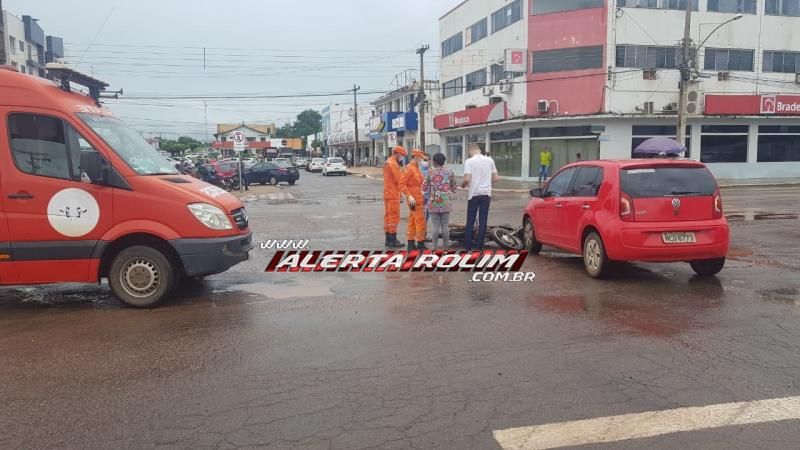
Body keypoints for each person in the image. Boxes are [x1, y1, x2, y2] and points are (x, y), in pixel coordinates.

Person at [461, 144, 499, 251]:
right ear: (479, 150)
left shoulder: (469, 161)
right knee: (483, 220)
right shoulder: (489, 160)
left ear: (470, 151)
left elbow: (467, 179)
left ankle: (468, 246)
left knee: (470, 220)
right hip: (486, 193)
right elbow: (496, 178)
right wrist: (486, 180)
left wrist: (462, 186)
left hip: (474, 193)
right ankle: (479, 246)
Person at [423, 153, 457, 251]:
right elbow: (454, 187)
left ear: (434, 161)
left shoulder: (430, 172)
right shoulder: (449, 171)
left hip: (433, 202)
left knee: (435, 226)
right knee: (445, 226)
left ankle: (434, 247)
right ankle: (446, 248)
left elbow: (424, 187)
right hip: (446, 202)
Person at [400, 149, 428, 251]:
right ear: (416, 157)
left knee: (412, 220)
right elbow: (401, 185)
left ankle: (411, 244)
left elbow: (420, 182)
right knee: (420, 221)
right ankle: (420, 243)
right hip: (413, 199)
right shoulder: (409, 168)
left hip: (418, 197)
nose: (422, 160)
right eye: (420, 158)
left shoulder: (416, 168)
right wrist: (409, 195)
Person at [383, 146, 407, 248]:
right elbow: (399, 180)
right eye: (401, 155)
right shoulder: (393, 164)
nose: (402, 157)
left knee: (388, 217)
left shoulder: (388, 162)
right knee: (394, 217)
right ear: (397, 154)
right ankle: (393, 240)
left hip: (388, 193)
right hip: (393, 194)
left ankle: (388, 239)